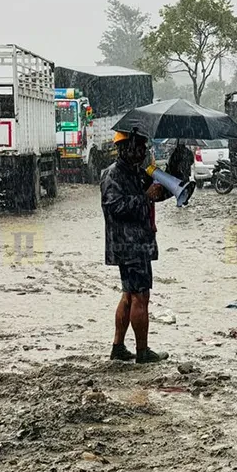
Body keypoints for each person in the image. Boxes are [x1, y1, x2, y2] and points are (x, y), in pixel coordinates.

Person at [101, 130, 172, 364]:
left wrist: (175, 173)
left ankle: (118, 348)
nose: (143, 152)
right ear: (127, 148)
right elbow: (115, 207)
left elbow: (156, 194)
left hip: (134, 242)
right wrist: (145, 197)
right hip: (130, 244)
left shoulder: (135, 173)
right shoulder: (113, 175)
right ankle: (142, 351)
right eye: (139, 147)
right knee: (141, 296)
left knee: (129, 296)